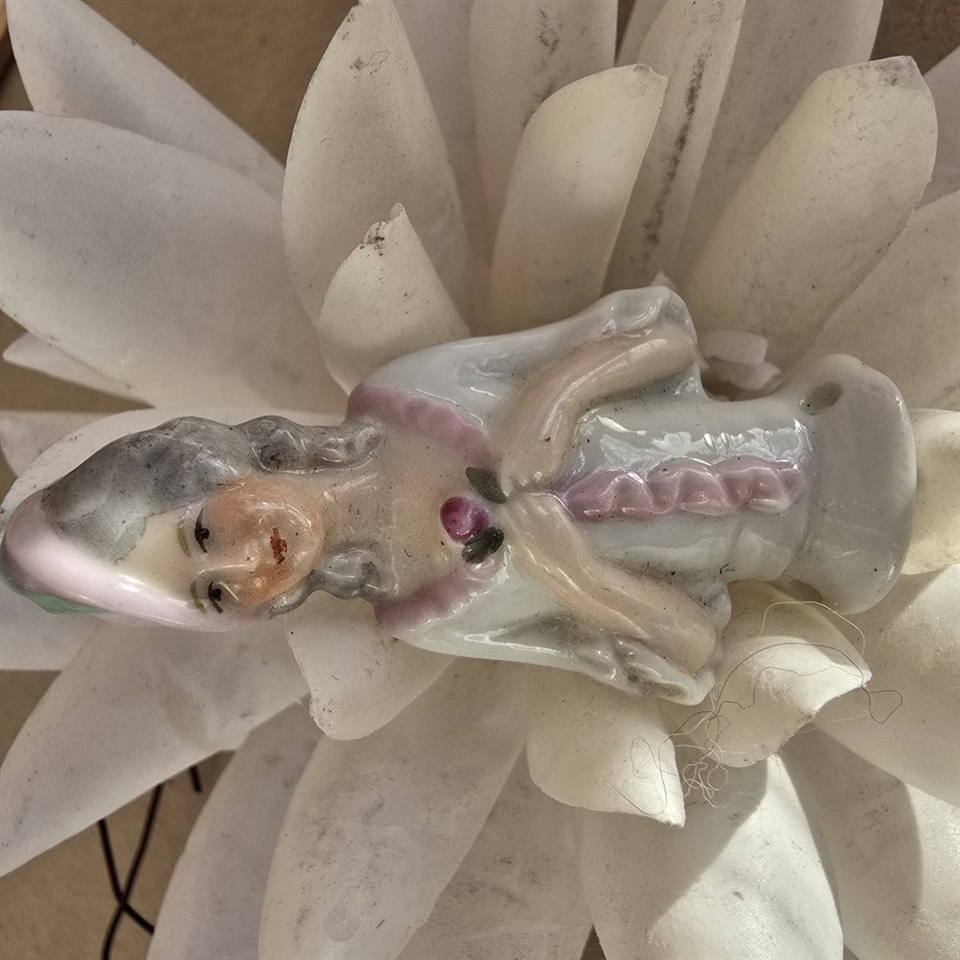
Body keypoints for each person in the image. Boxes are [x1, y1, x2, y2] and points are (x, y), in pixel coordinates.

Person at [0, 288, 915, 703]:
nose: (245, 569)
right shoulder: (427, 612)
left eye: (204, 532)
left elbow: (663, 339)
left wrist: (552, 401)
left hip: (817, 423)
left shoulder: (410, 401)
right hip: (822, 554)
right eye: (212, 596)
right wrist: (580, 581)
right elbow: (690, 653)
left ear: (224, 463)